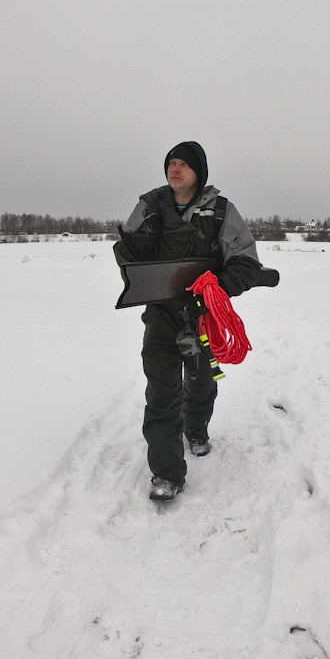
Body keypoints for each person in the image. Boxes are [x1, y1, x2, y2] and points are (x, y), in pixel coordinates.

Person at [116, 141, 261, 501]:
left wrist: (218, 286)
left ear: (199, 172)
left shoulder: (222, 212)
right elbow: (129, 257)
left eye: (183, 164)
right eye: (171, 163)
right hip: (162, 316)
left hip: (203, 317)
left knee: (200, 383)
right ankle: (166, 474)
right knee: (161, 394)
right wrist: (135, 241)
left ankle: (196, 428)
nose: (175, 169)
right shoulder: (150, 205)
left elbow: (245, 261)